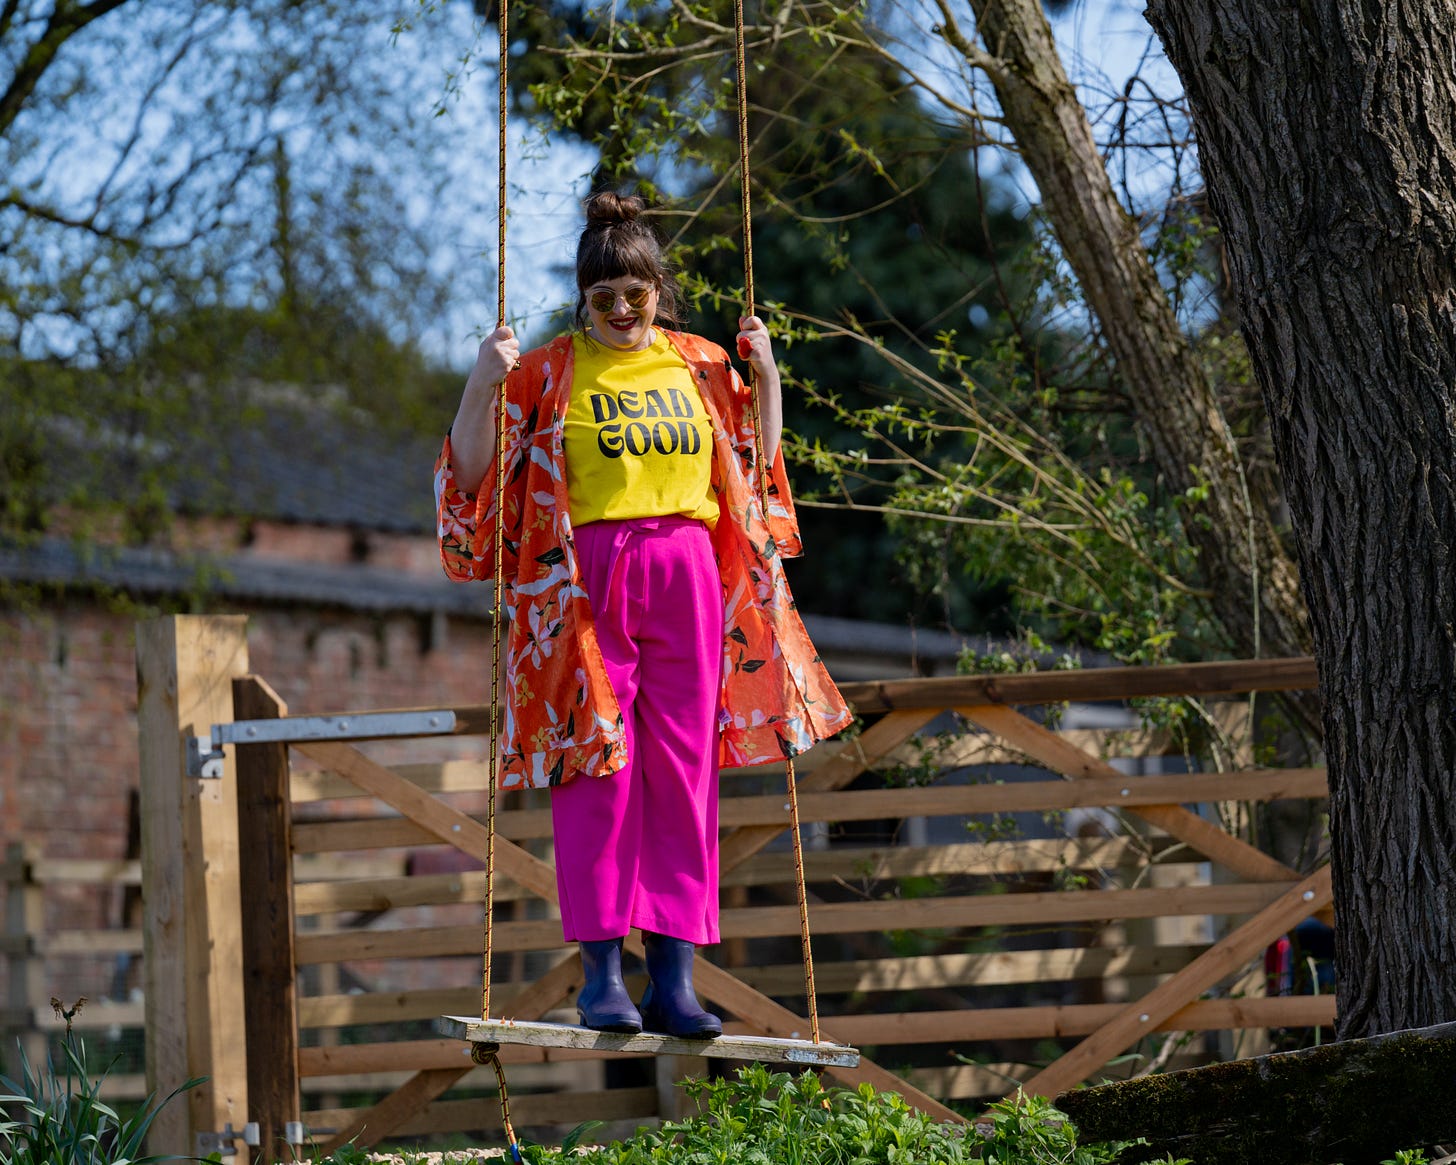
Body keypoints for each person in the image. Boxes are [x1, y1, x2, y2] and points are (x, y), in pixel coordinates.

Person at [435, 190, 851, 1038]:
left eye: (637, 295)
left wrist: (765, 377)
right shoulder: (548, 370)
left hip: (688, 573)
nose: (622, 312)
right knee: (598, 766)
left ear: (659, 289)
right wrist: (481, 381)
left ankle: (675, 976)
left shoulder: (699, 363)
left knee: (682, 769)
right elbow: (473, 476)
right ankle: (601, 974)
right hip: (584, 578)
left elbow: (756, 465)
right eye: (603, 299)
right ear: (582, 299)